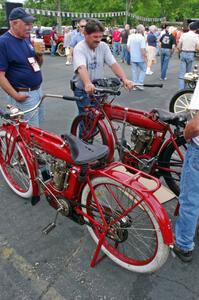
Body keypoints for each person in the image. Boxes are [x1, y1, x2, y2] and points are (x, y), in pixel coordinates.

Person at [72, 19, 133, 136]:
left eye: (100, 36)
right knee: (87, 122)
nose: (98, 40)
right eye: (95, 36)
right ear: (85, 34)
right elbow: (81, 68)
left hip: (97, 89)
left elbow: (113, 64)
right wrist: (87, 83)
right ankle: (84, 146)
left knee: (95, 120)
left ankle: (89, 141)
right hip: (83, 90)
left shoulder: (103, 46)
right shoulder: (79, 48)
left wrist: (124, 79)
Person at [0, 7, 44, 127]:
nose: (30, 27)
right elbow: (0, 76)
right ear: (14, 23)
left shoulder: (26, 39)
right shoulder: (3, 43)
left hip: (38, 91)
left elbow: (36, 65)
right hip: (23, 96)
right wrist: (16, 95)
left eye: (31, 24)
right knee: (29, 135)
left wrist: (39, 56)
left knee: (38, 131)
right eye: (27, 24)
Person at [178, 22, 199, 90]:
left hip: (183, 53)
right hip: (191, 54)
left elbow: (179, 46)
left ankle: (181, 89)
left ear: (189, 28)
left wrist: (180, 50)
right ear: (196, 29)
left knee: (182, 73)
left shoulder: (184, 35)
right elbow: (197, 48)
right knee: (188, 73)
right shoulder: (196, 36)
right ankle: (186, 89)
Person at [127, 24, 147, 90]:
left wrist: (132, 53)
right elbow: (142, 49)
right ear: (142, 30)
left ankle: (134, 84)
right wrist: (145, 58)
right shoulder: (141, 38)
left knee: (134, 71)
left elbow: (128, 47)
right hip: (140, 57)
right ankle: (139, 83)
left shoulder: (131, 37)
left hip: (133, 57)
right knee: (143, 69)